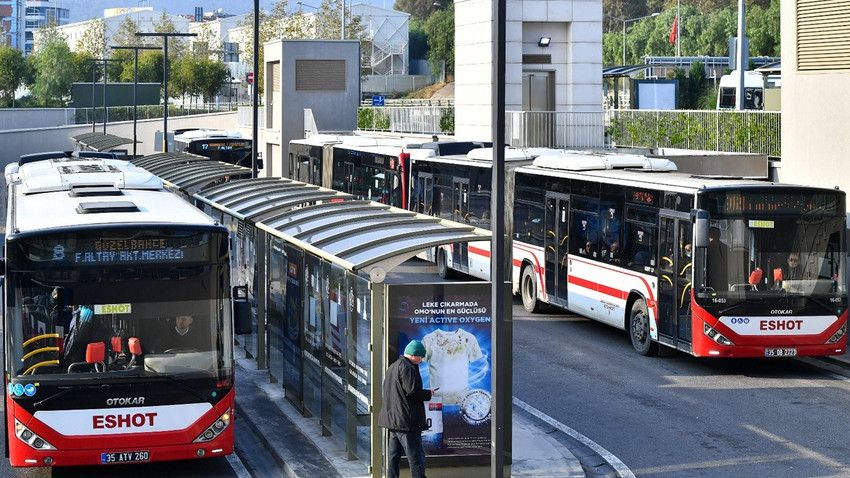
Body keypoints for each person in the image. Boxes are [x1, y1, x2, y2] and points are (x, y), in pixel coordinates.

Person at [378, 339, 435, 478]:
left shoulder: (394, 366)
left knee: (393, 457)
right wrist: (429, 393)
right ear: (414, 355)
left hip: (393, 420)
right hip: (406, 422)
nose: (422, 361)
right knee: (416, 457)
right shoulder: (408, 368)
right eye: (421, 357)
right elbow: (412, 391)